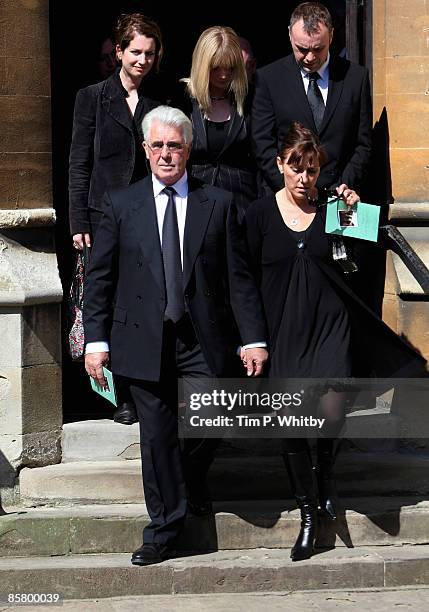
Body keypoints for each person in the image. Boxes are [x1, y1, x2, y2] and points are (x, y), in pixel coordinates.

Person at [83, 106, 268, 566]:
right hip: (141, 338)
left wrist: (254, 338)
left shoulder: (219, 203)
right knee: (157, 436)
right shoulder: (120, 205)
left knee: (212, 418)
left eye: (176, 145)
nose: (167, 153)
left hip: (201, 337)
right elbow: (100, 280)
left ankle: (183, 483)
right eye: (159, 145)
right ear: (145, 150)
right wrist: (96, 341)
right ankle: (163, 531)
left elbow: (238, 280)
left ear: (189, 150)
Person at [242, 122, 426, 561]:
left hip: (330, 326)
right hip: (285, 330)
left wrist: (357, 210)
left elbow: (364, 257)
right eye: (296, 168)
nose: (305, 179)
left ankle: (324, 479)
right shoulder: (259, 214)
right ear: (279, 165)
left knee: (328, 413)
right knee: (290, 425)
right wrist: (252, 338)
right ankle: (309, 513)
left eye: (312, 169)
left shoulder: (334, 207)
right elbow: (244, 279)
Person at [68, 13, 164, 425]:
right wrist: (78, 221)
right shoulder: (91, 97)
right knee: (103, 302)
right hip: (101, 216)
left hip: (146, 215)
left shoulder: (160, 101)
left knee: (139, 302)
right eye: (136, 52)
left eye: (149, 53)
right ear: (120, 52)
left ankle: (141, 389)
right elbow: (79, 162)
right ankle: (117, 395)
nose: (142, 60)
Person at [251, 1, 372, 196]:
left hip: (338, 196)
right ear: (290, 35)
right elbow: (262, 143)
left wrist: (343, 186)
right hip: (286, 196)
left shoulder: (355, 78)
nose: (309, 57)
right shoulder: (269, 79)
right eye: (302, 49)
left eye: (318, 49)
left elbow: (363, 143)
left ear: (331, 35)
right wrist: (291, 188)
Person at [178, 26, 259, 214]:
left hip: (241, 204)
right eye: (215, 68)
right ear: (202, 65)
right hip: (194, 202)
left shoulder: (251, 98)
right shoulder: (182, 100)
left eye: (230, 68)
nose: (223, 75)